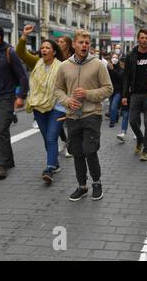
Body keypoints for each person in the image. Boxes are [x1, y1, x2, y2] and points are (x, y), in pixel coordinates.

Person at [54, 29, 113, 201]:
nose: (84, 45)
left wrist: (88, 94)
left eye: (87, 43)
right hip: (72, 116)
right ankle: (82, 186)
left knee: (90, 150)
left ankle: (97, 183)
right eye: (81, 42)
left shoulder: (98, 65)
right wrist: (67, 101)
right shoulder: (64, 66)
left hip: (91, 114)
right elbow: (57, 89)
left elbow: (108, 88)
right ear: (74, 44)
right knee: (77, 152)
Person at [16, 25, 65, 183]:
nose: (44, 50)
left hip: (57, 107)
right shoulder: (36, 62)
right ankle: (55, 163)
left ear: (54, 51)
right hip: (39, 106)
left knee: (51, 138)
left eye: (47, 47)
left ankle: (49, 168)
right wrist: (24, 36)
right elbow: (20, 53)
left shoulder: (62, 67)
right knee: (46, 138)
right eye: (42, 47)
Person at [0, 24, 29, 179]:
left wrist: (21, 97)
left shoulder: (9, 52)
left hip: (6, 97)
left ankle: (2, 164)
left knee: (3, 130)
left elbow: (23, 77)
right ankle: (8, 160)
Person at [122, 28, 147, 161]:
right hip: (134, 94)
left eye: (146, 38)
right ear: (137, 39)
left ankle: (146, 151)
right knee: (132, 121)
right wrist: (124, 95)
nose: (144, 40)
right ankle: (140, 139)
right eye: (142, 38)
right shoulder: (131, 55)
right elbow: (126, 77)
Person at [57, 35, 75, 158]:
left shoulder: (73, 57)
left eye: (62, 42)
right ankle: (64, 140)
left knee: (69, 121)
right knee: (57, 121)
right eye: (58, 41)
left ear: (68, 44)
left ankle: (69, 145)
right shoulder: (56, 56)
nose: (59, 43)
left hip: (71, 92)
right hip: (59, 92)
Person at [108, 53, 124, 128]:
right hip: (110, 91)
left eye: (116, 58)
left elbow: (120, 77)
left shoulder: (120, 69)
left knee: (114, 106)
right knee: (112, 106)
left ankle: (112, 122)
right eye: (113, 57)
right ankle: (116, 116)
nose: (114, 59)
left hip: (118, 91)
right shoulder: (108, 68)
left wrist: (113, 70)